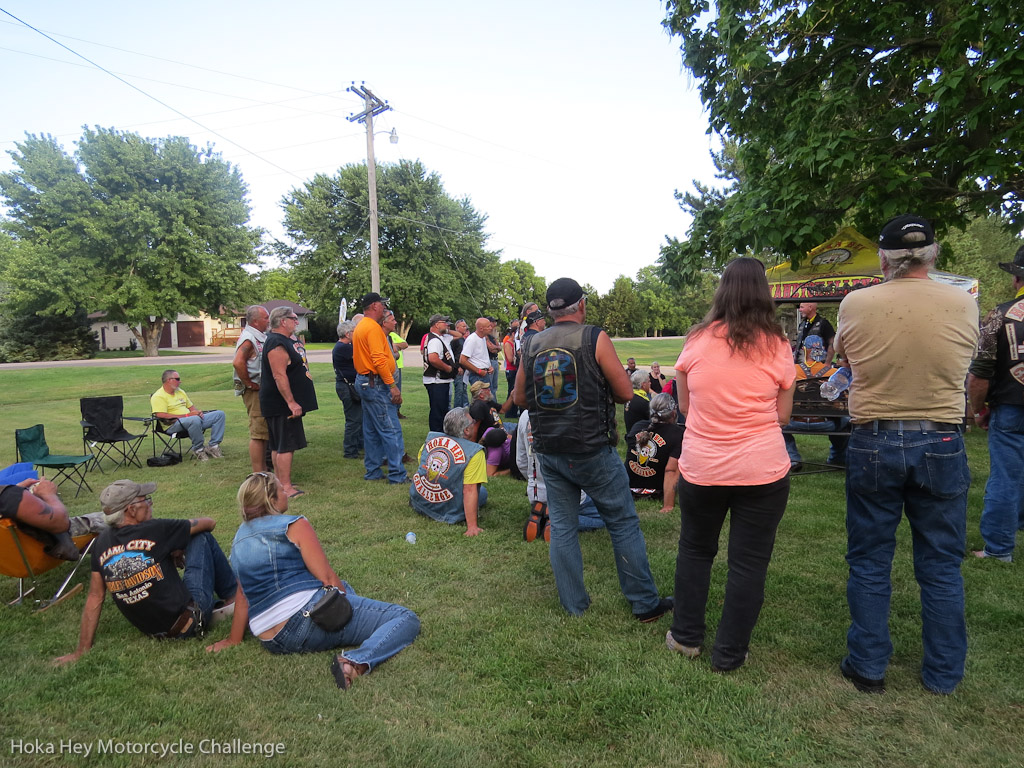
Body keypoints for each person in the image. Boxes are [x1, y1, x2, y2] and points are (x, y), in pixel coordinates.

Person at [835, 214, 978, 696]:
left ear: (883, 258)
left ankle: (868, 665)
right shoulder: (963, 303)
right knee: (941, 565)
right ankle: (943, 673)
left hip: (874, 438)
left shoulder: (856, 303)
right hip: (941, 439)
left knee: (870, 559)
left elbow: (846, 361)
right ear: (933, 255)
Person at [514, 276, 672, 621]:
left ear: (550, 311)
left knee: (563, 526)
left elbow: (520, 398)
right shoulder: (594, 337)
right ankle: (645, 604)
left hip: (549, 449)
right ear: (581, 305)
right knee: (623, 523)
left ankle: (574, 606)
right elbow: (626, 393)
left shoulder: (532, 342)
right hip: (591, 449)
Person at [667, 258, 794, 672]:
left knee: (695, 550)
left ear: (722, 290)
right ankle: (730, 653)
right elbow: (783, 415)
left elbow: (685, 406)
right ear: (764, 293)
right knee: (749, 562)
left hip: (703, 467)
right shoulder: (777, 344)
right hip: (762, 468)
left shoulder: (697, 340)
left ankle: (686, 637)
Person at [207, 473, 420, 690]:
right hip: (304, 621)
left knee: (346, 586)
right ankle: (354, 662)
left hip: (271, 640)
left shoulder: (239, 538)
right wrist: (344, 612)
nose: (286, 492)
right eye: (281, 489)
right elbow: (327, 578)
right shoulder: (293, 525)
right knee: (404, 618)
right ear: (271, 500)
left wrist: (233, 639)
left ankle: (362, 627)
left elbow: (243, 595)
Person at [54, 480, 237, 664]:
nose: (151, 503)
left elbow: (95, 597)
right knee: (200, 536)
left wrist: (81, 650)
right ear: (131, 510)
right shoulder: (155, 529)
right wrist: (180, 544)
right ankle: (233, 596)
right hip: (190, 621)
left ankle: (222, 603)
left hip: (153, 631)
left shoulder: (101, 542)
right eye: (146, 499)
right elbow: (209, 523)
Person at [968, 244, 1024, 563]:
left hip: (1011, 408)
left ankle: (999, 549)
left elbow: (979, 375)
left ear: (1016, 279)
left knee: (1006, 477)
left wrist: (978, 410)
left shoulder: (999, 316)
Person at [517, 409, 605, 542]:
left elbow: (521, 462)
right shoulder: (574, 411)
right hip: (568, 494)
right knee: (607, 515)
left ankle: (543, 513)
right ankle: (556, 521)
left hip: (536, 493)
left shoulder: (525, 415)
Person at [260, 306, 318, 499]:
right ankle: (285, 487)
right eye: (293, 318)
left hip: (280, 403)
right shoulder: (276, 342)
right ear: (282, 321)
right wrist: (291, 402)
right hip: (281, 404)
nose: (296, 321)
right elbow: (279, 375)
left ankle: (279, 483)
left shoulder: (284, 340)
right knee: (285, 444)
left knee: (278, 444)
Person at [352, 293, 407, 484]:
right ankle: (397, 474)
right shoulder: (372, 327)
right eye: (382, 305)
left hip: (366, 381)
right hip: (376, 383)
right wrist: (392, 385)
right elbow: (378, 359)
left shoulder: (362, 325)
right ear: (374, 306)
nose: (384, 308)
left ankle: (373, 470)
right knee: (390, 429)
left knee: (371, 430)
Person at [409, 407, 488, 536]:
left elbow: (423, 466)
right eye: (473, 422)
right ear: (466, 430)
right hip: (448, 510)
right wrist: (472, 527)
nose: (474, 423)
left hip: (418, 502)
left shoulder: (430, 439)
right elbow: (469, 489)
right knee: (482, 493)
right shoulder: (474, 452)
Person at [782, 334, 850, 470]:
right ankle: (837, 458)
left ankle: (793, 458)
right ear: (822, 350)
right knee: (846, 422)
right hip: (827, 424)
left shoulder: (792, 371)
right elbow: (845, 402)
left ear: (804, 350)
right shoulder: (834, 373)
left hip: (794, 423)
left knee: (777, 424)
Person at [150, 370, 227, 462]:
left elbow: (191, 408)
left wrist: (197, 412)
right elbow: (161, 415)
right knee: (194, 419)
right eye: (177, 379)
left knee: (219, 414)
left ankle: (213, 446)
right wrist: (187, 415)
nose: (180, 381)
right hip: (172, 424)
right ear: (169, 380)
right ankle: (198, 450)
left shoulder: (180, 392)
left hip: (192, 420)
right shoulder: (158, 396)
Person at [625, 393, 682, 514]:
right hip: (655, 492)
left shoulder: (637, 426)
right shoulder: (678, 434)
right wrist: (668, 505)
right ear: (673, 412)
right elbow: (671, 470)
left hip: (629, 490)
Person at [0, 476, 81, 560]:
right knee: (91, 519)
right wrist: (49, 494)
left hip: (9, 558)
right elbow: (61, 523)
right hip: (42, 546)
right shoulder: (9, 497)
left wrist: (19, 492)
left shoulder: (7, 496)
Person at [232, 305, 271, 473]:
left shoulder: (258, 336)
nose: (269, 321)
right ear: (255, 321)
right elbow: (238, 362)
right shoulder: (249, 338)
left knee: (263, 431)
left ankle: (264, 469)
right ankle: (258, 474)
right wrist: (249, 383)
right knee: (258, 433)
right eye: (266, 318)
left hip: (261, 390)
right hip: (254, 392)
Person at [332, 320, 363, 460]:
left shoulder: (342, 347)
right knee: (354, 419)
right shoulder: (343, 348)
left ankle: (357, 446)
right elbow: (361, 355)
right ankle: (350, 451)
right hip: (347, 387)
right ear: (347, 334)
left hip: (347, 386)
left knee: (357, 418)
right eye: (354, 332)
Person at [423, 313, 458, 433]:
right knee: (438, 412)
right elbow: (433, 358)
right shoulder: (435, 340)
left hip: (440, 381)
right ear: (437, 324)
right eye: (444, 322)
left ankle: (438, 433)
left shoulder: (438, 338)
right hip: (437, 381)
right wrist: (447, 368)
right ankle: (436, 435)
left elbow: (460, 335)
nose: (447, 325)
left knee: (441, 410)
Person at [384, 309, 409, 420]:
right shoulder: (381, 336)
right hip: (388, 369)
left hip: (397, 366)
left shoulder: (392, 335)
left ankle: (397, 411)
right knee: (391, 389)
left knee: (398, 389)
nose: (395, 323)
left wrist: (395, 346)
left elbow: (405, 344)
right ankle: (391, 412)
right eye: (392, 320)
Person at [460, 318, 494, 392]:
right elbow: (462, 360)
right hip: (477, 376)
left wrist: (489, 366)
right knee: (481, 397)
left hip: (485, 373)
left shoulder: (483, 338)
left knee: (489, 397)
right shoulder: (472, 339)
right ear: (481, 328)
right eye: (488, 326)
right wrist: (478, 371)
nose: (491, 328)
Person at [502, 320, 521, 418]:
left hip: (515, 369)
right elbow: (510, 359)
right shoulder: (508, 343)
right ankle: (509, 412)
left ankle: (514, 411)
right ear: (513, 334)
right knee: (511, 391)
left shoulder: (515, 343)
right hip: (511, 370)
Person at [450, 319, 470, 408]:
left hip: (465, 368)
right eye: (463, 326)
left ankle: (464, 408)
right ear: (457, 328)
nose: (465, 328)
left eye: (466, 326)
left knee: (464, 389)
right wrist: (457, 367)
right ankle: (457, 409)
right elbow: (453, 355)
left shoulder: (463, 339)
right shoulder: (455, 340)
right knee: (459, 390)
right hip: (458, 369)